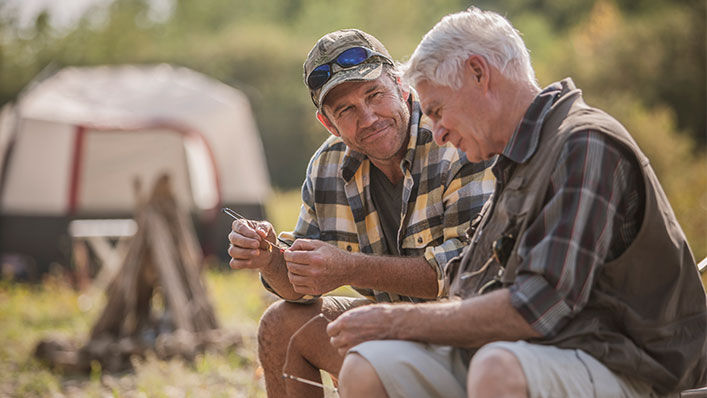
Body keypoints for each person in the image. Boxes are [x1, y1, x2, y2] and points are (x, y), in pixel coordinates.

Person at [326, 8, 707, 398]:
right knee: (367, 366)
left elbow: (536, 307)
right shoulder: (516, 160)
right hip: (530, 352)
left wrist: (394, 321)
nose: (437, 134)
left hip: (630, 370)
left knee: (497, 369)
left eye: (438, 111)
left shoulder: (585, 143)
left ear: (479, 73)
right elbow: (466, 287)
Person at [227, 28, 494, 397]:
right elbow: (300, 289)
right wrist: (269, 258)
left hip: (472, 337)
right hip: (393, 329)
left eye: (375, 95)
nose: (368, 118)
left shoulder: (454, 140)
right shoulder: (327, 166)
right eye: (346, 110)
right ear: (328, 123)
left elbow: (469, 273)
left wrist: (350, 268)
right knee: (281, 324)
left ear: (401, 87)